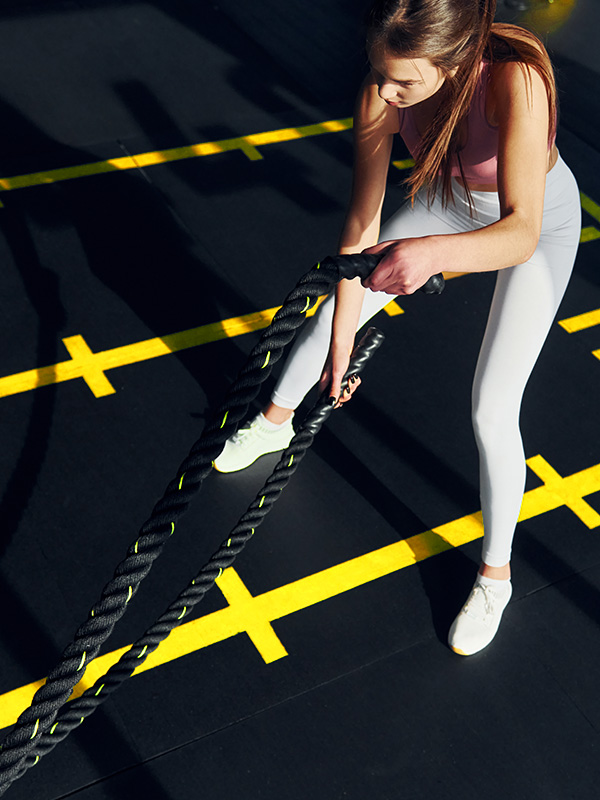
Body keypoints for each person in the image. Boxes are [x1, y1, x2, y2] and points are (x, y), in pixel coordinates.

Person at [214, 0, 581, 656]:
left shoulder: (514, 78)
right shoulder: (380, 94)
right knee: (330, 318)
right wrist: (342, 345)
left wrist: (432, 255)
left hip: (536, 227)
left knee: (492, 409)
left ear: (453, 62)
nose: (384, 92)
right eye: (378, 72)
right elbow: (360, 230)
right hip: (450, 204)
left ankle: (495, 578)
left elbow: (520, 232)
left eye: (402, 81)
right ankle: (274, 421)